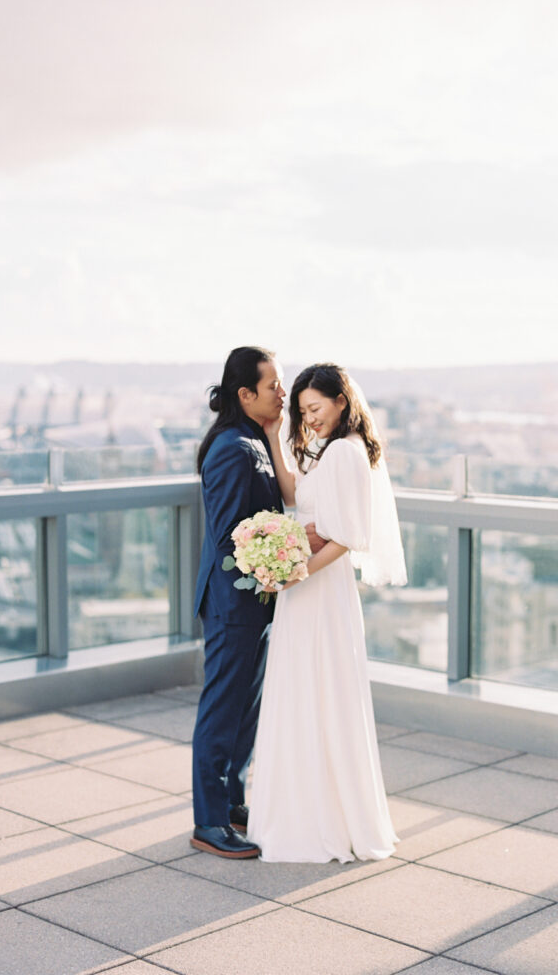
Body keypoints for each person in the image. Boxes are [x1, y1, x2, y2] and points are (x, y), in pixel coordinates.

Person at [247, 362, 407, 863]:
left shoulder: (344, 451)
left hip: (317, 586)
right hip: (312, 586)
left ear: (342, 401)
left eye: (315, 408)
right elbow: (298, 499)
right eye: (301, 411)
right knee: (311, 691)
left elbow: (349, 536)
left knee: (315, 690)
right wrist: (275, 436)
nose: (309, 419)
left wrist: (298, 572)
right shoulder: (332, 450)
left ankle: (317, 819)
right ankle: (317, 811)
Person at [190, 346, 325, 859]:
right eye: (274, 386)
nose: (282, 393)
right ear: (245, 394)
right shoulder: (230, 446)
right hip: (233, 603)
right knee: (222, 713)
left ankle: (230, 801)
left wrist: (292, 541)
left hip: (257, 601)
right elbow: (230, 534)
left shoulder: (255, 439)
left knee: (246, 712)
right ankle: (208, 821)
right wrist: (287, 546)